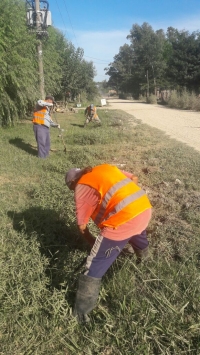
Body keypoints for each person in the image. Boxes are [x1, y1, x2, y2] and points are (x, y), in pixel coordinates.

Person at [65, 163, 152, 322]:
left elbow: (82, 225)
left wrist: (92, 242)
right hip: (144, 207)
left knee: (95, 264)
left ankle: (80, 314)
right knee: (137, 233)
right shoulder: (103, 168)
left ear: (72, 183)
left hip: (123, 220)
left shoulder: (81, 187)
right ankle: (147, 264)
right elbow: (133, 178)